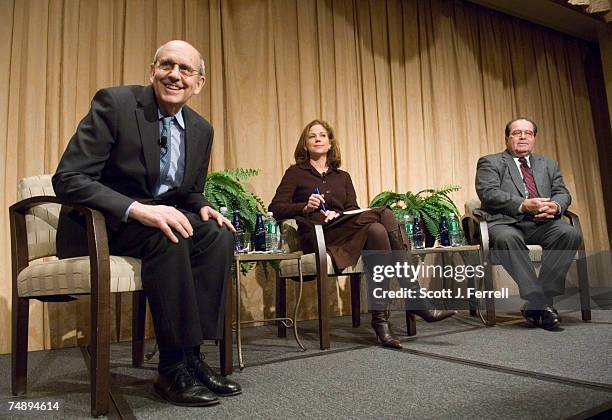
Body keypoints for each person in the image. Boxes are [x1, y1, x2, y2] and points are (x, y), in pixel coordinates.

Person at [53, 40, 241, 407]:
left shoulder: (201, 129)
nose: (174, 75)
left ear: (198, 83)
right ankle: (171, 369)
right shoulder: (116, 104)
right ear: (152, 70)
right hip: (104, 224)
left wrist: (203, 206)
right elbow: (69, 178)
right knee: (168, 233)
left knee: (217, 234)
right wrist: (137, 209)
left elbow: (189, 191)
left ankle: (192, 357)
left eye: (185, 70)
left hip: (153, 222)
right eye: (167, 65)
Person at [269, 119, 455, 349]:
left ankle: (381, 322)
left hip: (345, 230)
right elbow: (275, 208)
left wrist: (340, 215)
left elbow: (352, 210)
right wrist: (305, 207)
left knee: (376, 229)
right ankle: (414, 297)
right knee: (384, 213)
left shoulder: (342, 177)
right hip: (318, 235)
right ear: (305, 144)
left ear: (330, 143)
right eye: (312, 136)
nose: (317, 139)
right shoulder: (295, 173)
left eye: (322, 135)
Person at [475, 117, 582, 330]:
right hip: (505, 223)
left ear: (534, 138)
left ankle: (536, 304)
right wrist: (524, 205)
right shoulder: (490, 162)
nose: (523, 136)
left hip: (542, 224)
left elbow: (561, 192)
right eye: (517, 133)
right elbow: (488, 193)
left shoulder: (548, 164)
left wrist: (555, 206)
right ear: (507, 138)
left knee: (569, 233)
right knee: (507, 238)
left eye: (528, 133)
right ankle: (540, 302)